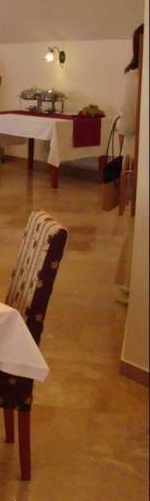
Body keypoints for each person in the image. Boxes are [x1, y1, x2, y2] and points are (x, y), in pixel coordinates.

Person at [114, 24, 143, 302]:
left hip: (137, 152)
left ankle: (130, 282)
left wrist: (120, 124)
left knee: (138, 220)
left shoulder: (135, 77)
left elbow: (129, 122)